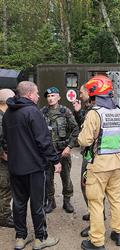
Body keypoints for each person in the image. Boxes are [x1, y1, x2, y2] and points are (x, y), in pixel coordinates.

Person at [3, 81, 61, 250]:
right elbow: (44, 141)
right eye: (36, 93)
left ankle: (20, 237)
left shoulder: (8, 113)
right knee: (38, 204)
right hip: (34, 168)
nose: (38, 96)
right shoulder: (32, 112)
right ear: (29, 94)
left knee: (19, 203)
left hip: (15, 167)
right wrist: (55, 160)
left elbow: (6, 139)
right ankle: (40, 237)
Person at [78, 75, 120, 250]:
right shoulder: (119, 111)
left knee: (96, 203)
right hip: (117, 163)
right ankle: (119, 232)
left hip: (99, 165)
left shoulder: (94, 113)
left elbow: (84, 141)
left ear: (94, 94)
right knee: (116, 199)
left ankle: (97, 242)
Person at [73, 84, 106, 238]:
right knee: (89, 187)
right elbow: (83, 125)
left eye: (81, 93)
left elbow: (86, 136)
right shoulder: (91, 107)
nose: (79, 96)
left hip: (91, 154)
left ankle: (96, 221)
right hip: (94, 154)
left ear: (89, 92)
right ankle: (95, 214)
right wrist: (79, 111)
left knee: (89, 187)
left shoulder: (95, 109)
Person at [41, 87, 79, 214]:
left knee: (66, 178)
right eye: (48, 96)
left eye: (53, 96)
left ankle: (67, 201)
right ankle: (51, 202)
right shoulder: (43, 112)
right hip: (48, 153)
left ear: (58, 97)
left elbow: (75, 130)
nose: (50, 98)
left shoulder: (65, 111)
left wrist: (69, 147)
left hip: (63, 152)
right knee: (47, 179)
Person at [0, 89, 15, 228]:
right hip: (2, 161)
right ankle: (4, 217)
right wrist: (3, 154)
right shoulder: (1, 117)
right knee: (5, 187)